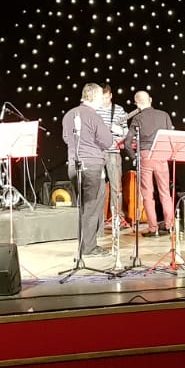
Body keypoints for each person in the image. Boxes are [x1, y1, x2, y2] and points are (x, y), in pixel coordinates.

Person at [63, 83, 117, 257]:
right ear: (93, 96)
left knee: (83, 207)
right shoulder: (94, 116)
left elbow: (66, 138)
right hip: (92, 166)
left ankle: (84, 245)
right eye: (101, 96)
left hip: (73, 165)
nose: (103, 99)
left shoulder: (69, 114)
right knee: (92, 207)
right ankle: (89, 248)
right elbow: (108, 141)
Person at [125, 90, 175, 236]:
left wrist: (134, 158)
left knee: (147, 194)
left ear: (137, 104)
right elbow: (171, 135)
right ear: (150, 100)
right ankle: (169, 225)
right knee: (165, 192)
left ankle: (153, 228)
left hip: (145, 156)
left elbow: (128, 142)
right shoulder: (164, 115)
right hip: (161, 155)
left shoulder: (137, 118)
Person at [98, 83, 130, 228]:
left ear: (110, 95)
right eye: (101, 98)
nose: (104, 101)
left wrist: (118, 131)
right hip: (97, 152)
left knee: (116, 186)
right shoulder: (95, 109)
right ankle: (100, 218)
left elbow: (127, 133)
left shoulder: (118, 110)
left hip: (113, 152)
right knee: (99, 187)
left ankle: (117, 217)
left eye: (106, 97)